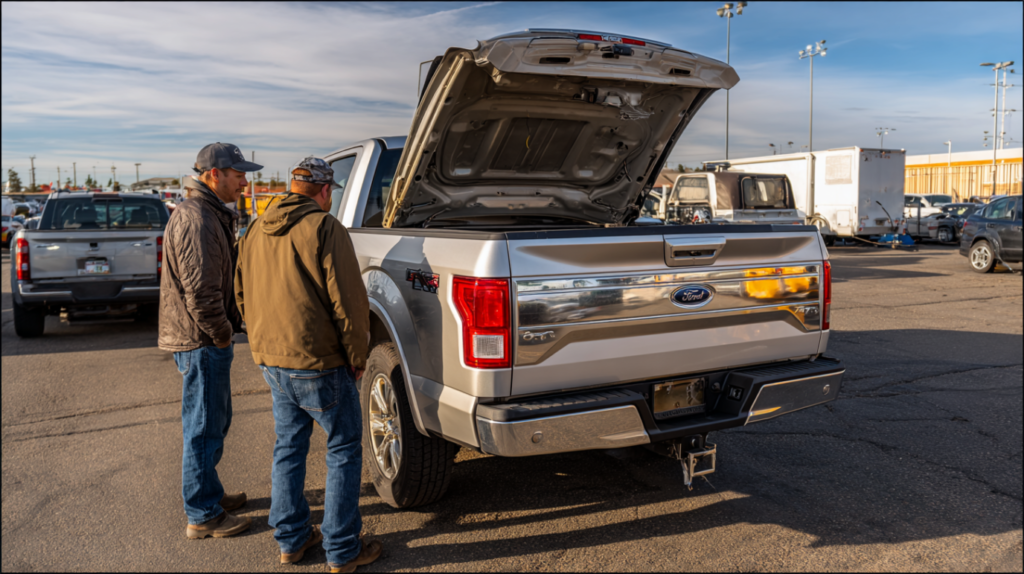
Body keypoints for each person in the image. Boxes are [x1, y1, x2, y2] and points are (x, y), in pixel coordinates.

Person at [235, 157, 381, 572]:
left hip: (273, 361)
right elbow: (350, 302)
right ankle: (342, 550)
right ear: (324, 191)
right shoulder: (324, 227)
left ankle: (292, 540)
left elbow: (240, 293)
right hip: (319, 362)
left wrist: (261, 346)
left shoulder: (255, 228)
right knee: (343, 449)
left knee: (289, 447)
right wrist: (357, 356)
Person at [158, 142, 262, 539]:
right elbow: (201, 293)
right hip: (201, 341)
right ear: (213, 175)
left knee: (213, 422)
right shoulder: (197, 218)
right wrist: (221, 335)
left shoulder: (208, 213)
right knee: (203, 426)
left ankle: (209, 494)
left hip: (203, 339)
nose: (244, 181)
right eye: (238, 174)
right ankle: (202, 514)